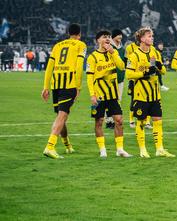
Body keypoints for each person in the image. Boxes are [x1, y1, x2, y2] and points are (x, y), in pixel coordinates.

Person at [125, 27, 174, 158]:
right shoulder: (134, 55)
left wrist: (160, 65)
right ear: (142, 39)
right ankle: (142, 149)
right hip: (140, 95)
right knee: (141, 121)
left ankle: (160, 149)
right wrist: (144, 73)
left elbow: (163, 72)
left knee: (158, 121)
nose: (152, 38)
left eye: (152, 36)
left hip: (155, 95)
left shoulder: (155, 53)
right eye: (149, 36)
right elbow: (129, 74)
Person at [41, 23, 86, 159]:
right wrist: (78, 86)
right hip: (69, 84)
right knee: (62, 116)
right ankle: (50, 147)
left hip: (56, 84)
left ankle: (67, 146)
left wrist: (46, 87)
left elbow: (49, 67)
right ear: (79, 34)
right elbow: (79, 66)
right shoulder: (80, 45)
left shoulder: (57, 46)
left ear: (68, 33)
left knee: (61, 116)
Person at [86, 29, 132, 157]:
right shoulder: (93, 57)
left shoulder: (114, 52)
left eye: (108, 37)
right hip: (99, 95)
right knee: (99, 121)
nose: (107, 39)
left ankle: (120, 150)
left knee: (119, 120)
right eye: (104, 37)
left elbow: (122, 66)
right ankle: (102, 150)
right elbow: (89, 77)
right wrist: (92, 94)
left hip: (112, 94)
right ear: (98, 40)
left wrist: (113, 53)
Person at [104, 28, 125, 130]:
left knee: (118, 100)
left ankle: (113, 121)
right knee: (109, 100)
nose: (120, 37)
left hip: (120, 78)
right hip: (110, 78)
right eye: (118, 35)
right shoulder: (109, 47)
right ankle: (109, 121)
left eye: (121, 35)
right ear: (114, 36)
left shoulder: (122, 48)